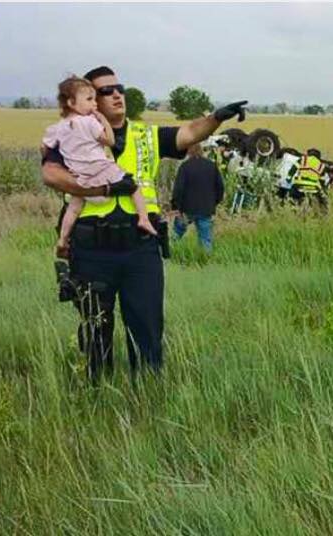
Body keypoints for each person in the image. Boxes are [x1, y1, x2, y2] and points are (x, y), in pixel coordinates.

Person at [41, 65, 247, 381]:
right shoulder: (72, 132)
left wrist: (217, 117)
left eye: (119, 88)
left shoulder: (145, 135)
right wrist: (104, 189)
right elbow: (51, 174)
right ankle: (96, 396)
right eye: (105, 91)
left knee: (148, 328)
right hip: (92, 248)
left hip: (141, 247)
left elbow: (190, 133)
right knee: (96, 329)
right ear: (90, 100)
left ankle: (148, 397)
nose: (116, 95)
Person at [42, 75, 156, 259]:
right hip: (101, 171)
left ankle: (63, 239)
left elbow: (44, 148)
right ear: (71, 102)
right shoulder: (89, 122)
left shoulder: (57, 128)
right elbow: (109, 140)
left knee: (73, 208)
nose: (94, 104)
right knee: (133, 186)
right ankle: (143, 219)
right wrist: (103, 120)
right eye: (89, 100)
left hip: (80, 178)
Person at [171, 143, 225, 251]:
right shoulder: (211, 166)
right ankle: (204, 261)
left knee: (176, 235)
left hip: (186, 208)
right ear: (201, 151)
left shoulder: (185, 166)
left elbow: (178, 189)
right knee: (205, 239)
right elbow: (220, 187)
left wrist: (176, 206)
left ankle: (169, 254)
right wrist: (214, 203)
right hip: (206, 208)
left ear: (189, 152)